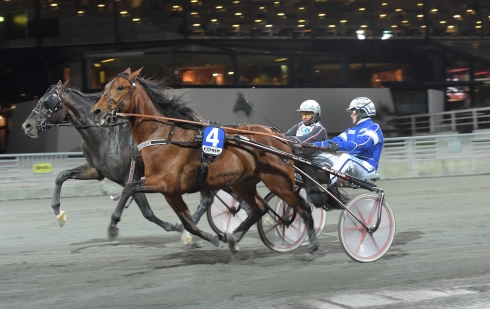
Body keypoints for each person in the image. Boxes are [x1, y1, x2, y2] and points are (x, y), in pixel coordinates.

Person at [312, 97, 384, 185]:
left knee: (346, 157)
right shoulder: (350, 130)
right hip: (352, 166)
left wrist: (338, 146)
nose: (351, 115)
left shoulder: (374, 128)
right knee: (320, 154)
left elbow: (362, 144)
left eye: (353, 111)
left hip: (367, 168)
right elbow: (334, 141)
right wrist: (311, 145)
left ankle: (328, 181)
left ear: (362, 112)